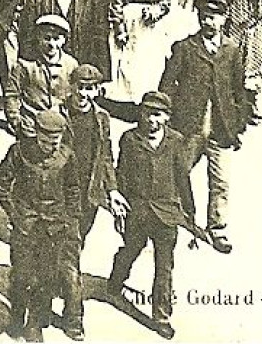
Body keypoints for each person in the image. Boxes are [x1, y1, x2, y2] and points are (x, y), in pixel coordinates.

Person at [158, 0, 247, 254]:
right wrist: (169, 120)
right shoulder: (185, 48)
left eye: (215, 16)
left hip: (220, 129)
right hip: (188, 128)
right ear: (198, 18)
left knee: (220, 182)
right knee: (178, 173)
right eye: (205, 16)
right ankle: (177, 221)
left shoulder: (231, 51)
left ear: (224, 19)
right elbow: (167, 86)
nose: (209, 22)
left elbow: (239, 90)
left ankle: (217, 229)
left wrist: (237, 122)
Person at [106, 90, 197, 339]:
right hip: (138, 212)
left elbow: (182, 179)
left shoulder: (177, 142)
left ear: (167, 117)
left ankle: (161, 315)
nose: (151, 120)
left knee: (164, 265)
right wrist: (119, 208)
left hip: (166, 214)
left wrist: (190, 215)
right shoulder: (129, 139)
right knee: (131, 250)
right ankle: (115, 281)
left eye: (157, 115)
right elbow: (122, 173)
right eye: (147, 113)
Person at [0, 108, 83, 342]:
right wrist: (15, 214)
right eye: (45, 141)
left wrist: (70, 219)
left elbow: (73, 190)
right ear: (36, 133)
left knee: (46, 279)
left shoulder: (66, 156)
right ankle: (16, 317)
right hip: (26, 226)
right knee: (22, 277)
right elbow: (1, 182)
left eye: (54, 142)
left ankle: (34, 324)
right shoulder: (20, 151)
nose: (49, 147)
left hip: (54, 228)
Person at [65, 64, 126, 340]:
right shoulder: (58, 112)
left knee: (75, 246)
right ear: (71, 85)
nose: (84, 93)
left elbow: (105, 158)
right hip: (60, 193)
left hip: (88, 196)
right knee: (70, 253)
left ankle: (61, 285)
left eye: (90, 88)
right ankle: (73, 316)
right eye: (80, 86)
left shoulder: (102, 118)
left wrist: (111, 190)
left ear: (97, 90)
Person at [4, 14, 79, 138]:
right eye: (47, 38)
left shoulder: (71, 64)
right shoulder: (26, 64)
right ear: (39, 37)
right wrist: (16, 122)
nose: (51, 44)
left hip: (61, 127)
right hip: (32, 127)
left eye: (56, 39)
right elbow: (12, 95)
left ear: (64, 40)